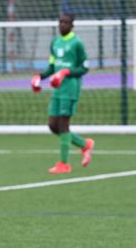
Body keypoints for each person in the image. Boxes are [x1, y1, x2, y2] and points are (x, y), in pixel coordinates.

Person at [30, 13, 95, 174]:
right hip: (57, 89)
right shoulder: (55, 42)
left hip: (71, 88)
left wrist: (66, 72)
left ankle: (64, 164)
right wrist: (40, 77)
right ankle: (84, 145)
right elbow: (52, 67)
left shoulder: (77, 44)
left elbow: (84, 68)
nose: (62, 25)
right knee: (53, 125)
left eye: (65, 23)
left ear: (72, 25)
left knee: (63, 125)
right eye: (60, 22)